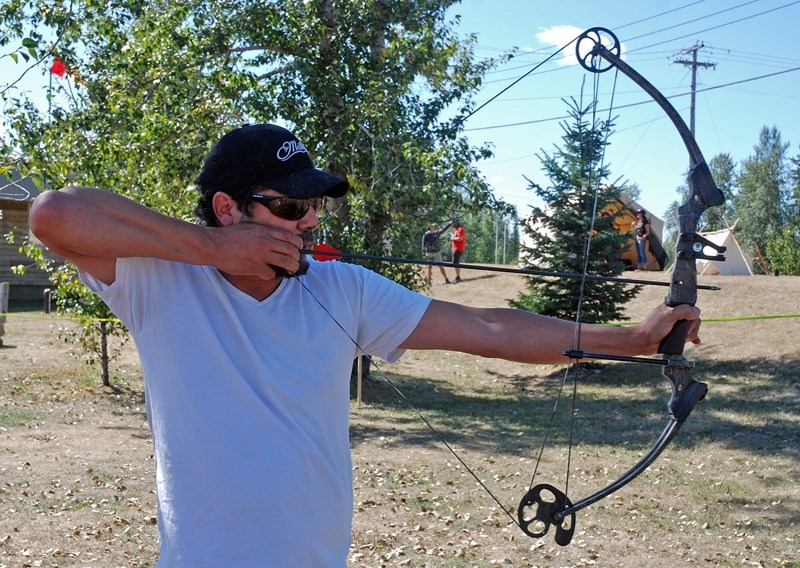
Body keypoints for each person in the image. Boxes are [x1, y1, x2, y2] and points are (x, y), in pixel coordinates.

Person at [29, 123, 701, 567]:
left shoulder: (341, 289)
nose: (311, 218)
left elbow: (490, 328)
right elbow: (53, 214)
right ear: (229, 209)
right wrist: (207, 247)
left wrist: (632, 339)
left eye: (315, 205)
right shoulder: (161, 280)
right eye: (291, 207)